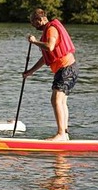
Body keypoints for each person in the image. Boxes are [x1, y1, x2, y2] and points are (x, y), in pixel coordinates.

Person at [22, 8, 79, 141]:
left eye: (33, 22)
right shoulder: (48, 30)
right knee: (62, 101)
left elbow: (50, 47)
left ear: (40, 19)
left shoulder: (51, 29)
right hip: (69, 68)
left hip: (66, 68)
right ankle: (64, 134)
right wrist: (30, 72)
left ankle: (60, 134)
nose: (32, 25)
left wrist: (34, 41)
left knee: (56, 100)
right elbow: (46, 57)